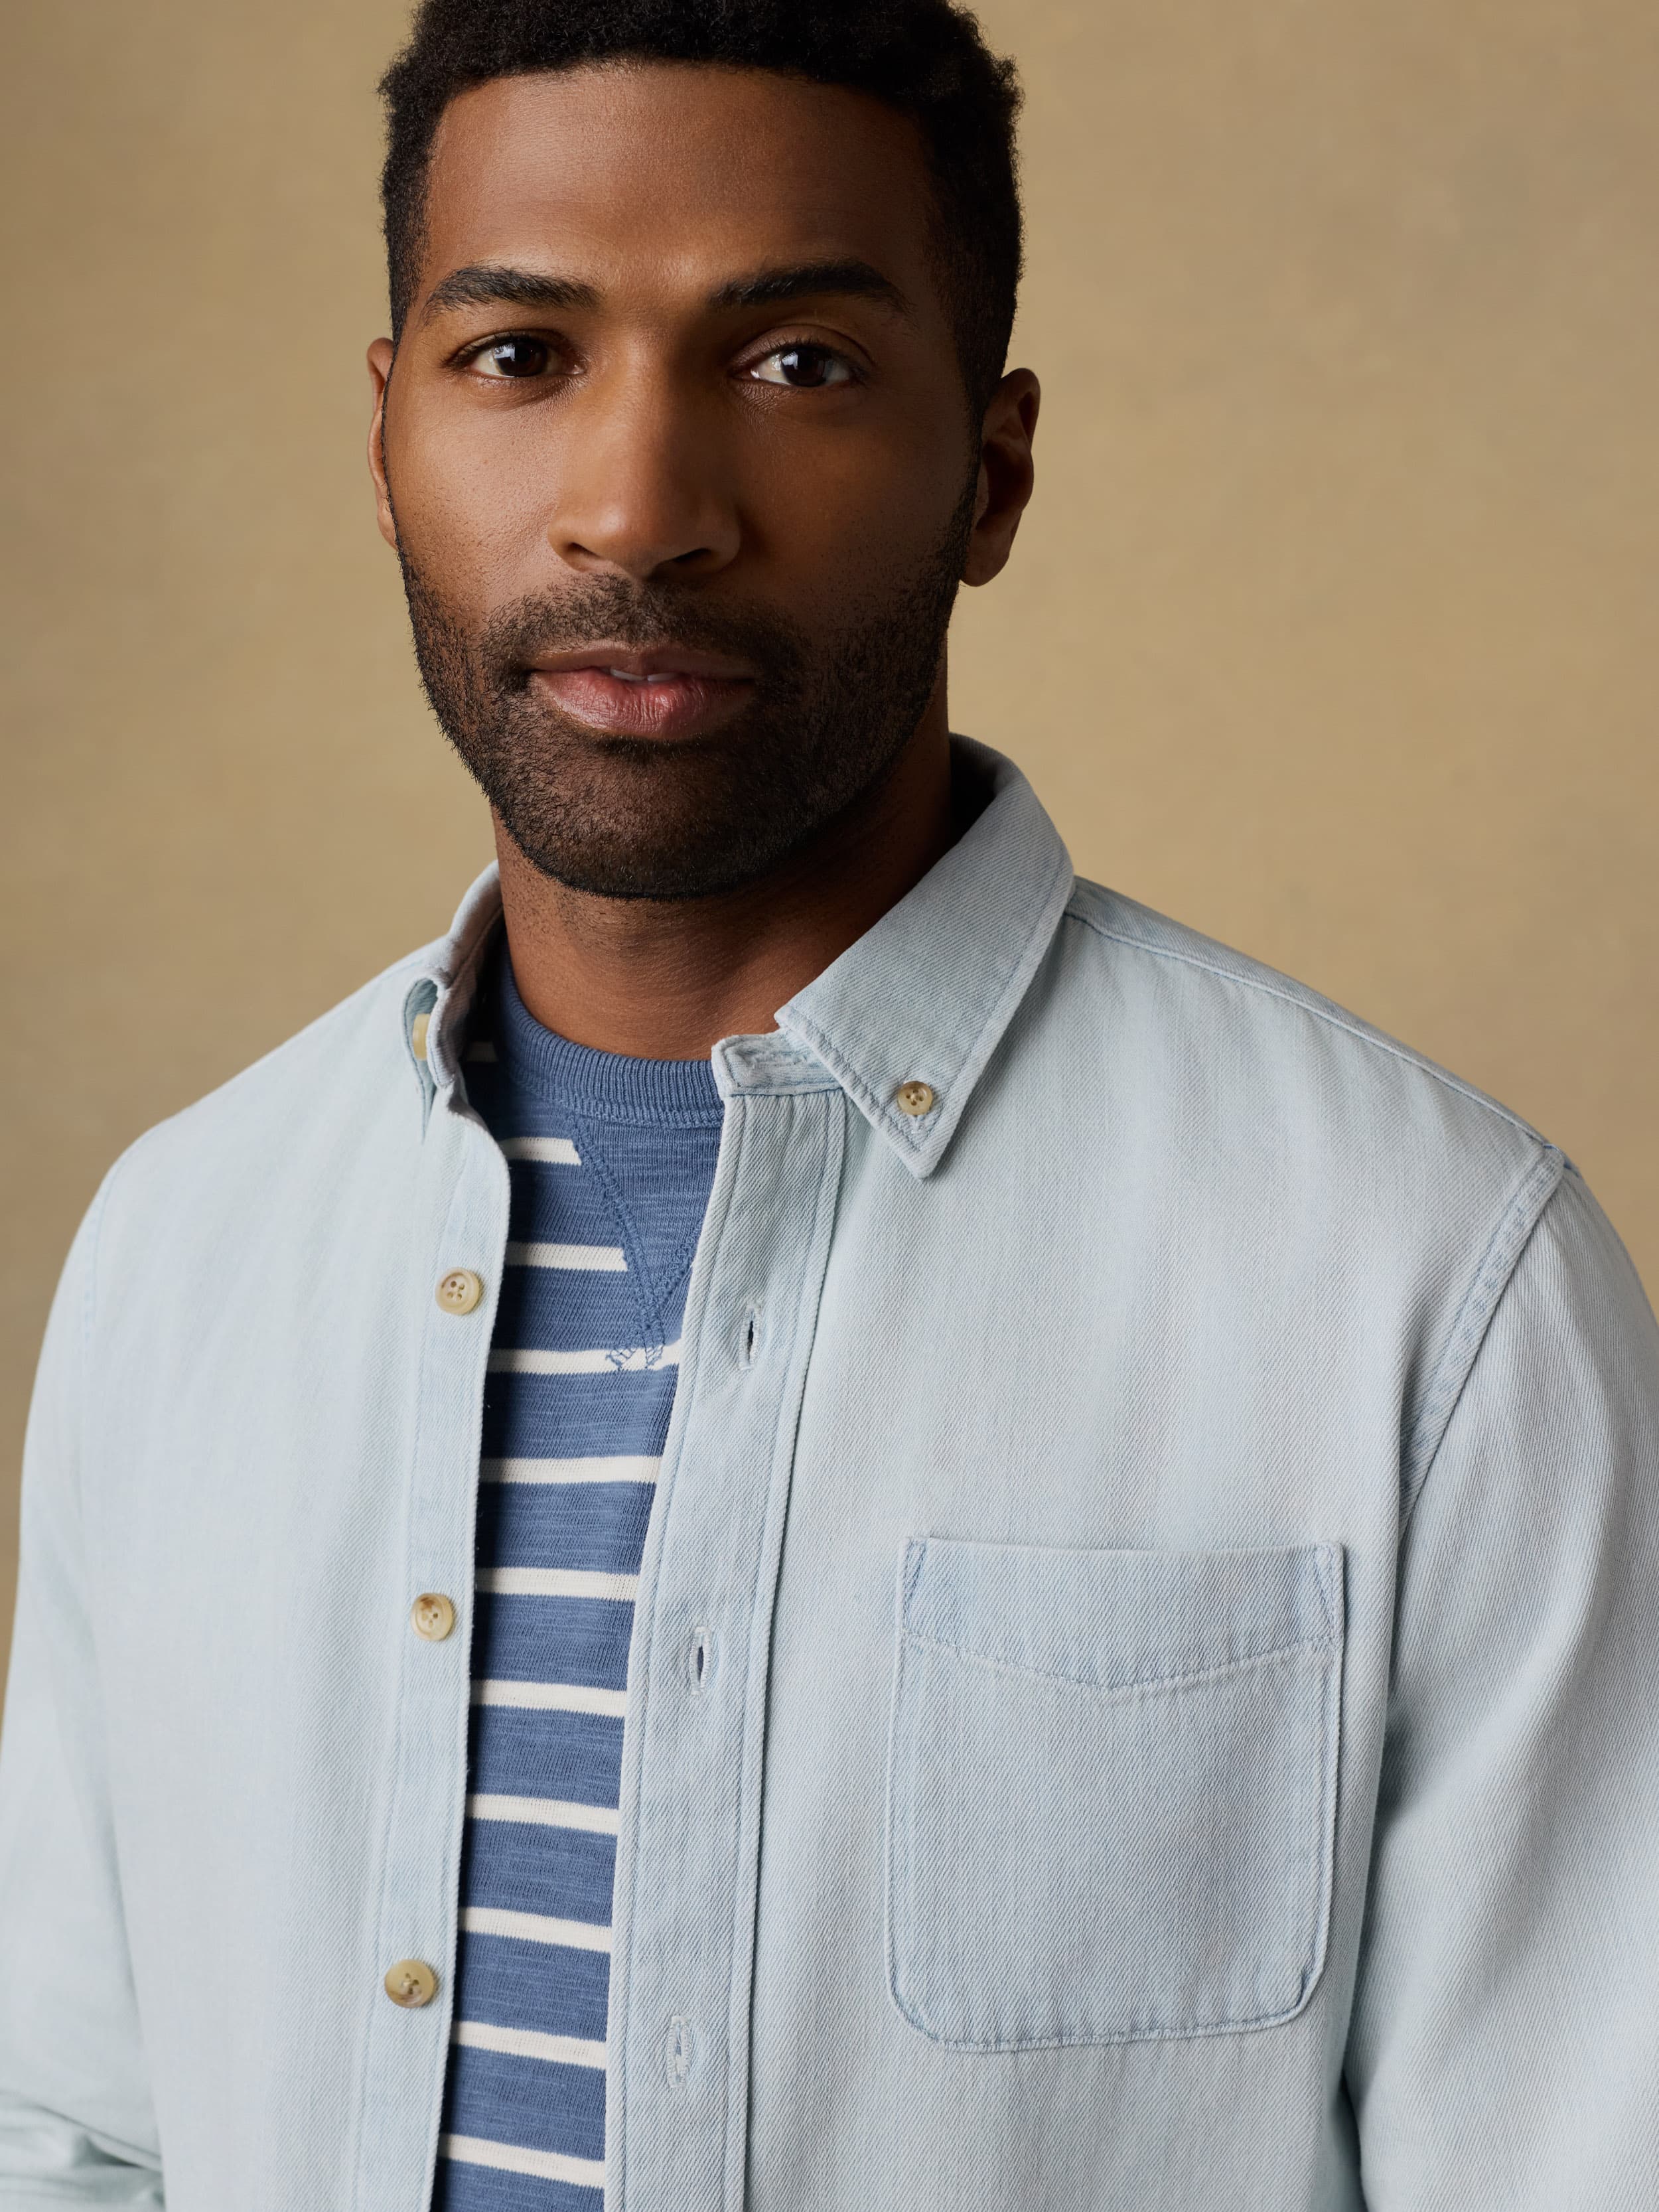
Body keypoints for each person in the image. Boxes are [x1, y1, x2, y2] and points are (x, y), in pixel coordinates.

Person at [3, 1, 1657, 2205]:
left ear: (992, 472)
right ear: (384, 434)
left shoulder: (1430, 1285)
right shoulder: (184, 1248)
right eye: (519, 354)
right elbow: (76, 2132)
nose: (637, 509)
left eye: (795, 361)